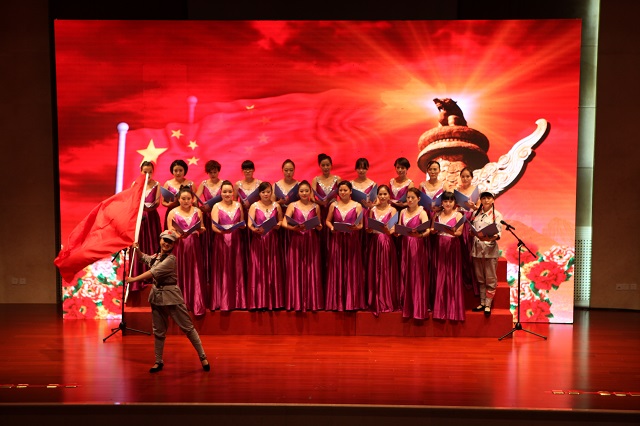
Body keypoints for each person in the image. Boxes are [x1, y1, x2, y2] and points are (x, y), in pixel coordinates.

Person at [125, 229, 210, 373]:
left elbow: (153, 272)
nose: (166, 243)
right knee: (158, 331)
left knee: (188, 328)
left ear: (173, 245)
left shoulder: (171, 259)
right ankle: (158, 361)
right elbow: (145, 258)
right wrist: (137, 250)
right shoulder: (157, 256)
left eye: (170, 242)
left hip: (171, 297)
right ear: (160, 240)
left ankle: (203, 357)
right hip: (157, 297)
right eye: (165, 240)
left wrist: (133, 279)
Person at [282, 180, 324, 311]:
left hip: (311, 240)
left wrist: (318, 226)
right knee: (296, 268)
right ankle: (296, 301)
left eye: (306, 191)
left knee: (311, 268)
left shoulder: (316, 206)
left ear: (310, 192)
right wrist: (293, 228)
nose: (304, 193)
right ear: (298, 193)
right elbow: (284, 223)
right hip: (297, 239)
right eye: (301, 191)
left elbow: (320, 226)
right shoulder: (292, 205)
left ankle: (312, 301)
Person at [166, 186, 207, 317]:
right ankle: (179, 304)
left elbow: (202, 227)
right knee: (180, 272)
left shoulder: (197, 211)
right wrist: (177, 235)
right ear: (178, 199)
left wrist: (200, 230)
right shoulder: (172, 212)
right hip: (180, 246)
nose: (186, 201)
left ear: (192, 199)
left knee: (195, 272)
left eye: (188, 198)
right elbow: (169, 231)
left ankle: (196, 303)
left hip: (194, 245)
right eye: (183, 198)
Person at [325, 180, 365, 311]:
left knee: (351, 268)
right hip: (337, 240)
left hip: (351, 240)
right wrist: (332, 228)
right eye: (341, 190)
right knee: (337, 268)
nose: (343, 192)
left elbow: (361, 225)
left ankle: (352, 302)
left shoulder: (357, 205)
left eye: (345, 190)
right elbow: (327, 221)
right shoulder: (333, 205)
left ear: (350, 191)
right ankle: (336, 302)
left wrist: (355, 227)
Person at [210, 180, 247, 311]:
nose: (227, 194)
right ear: (221, 193)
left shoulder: (238, 205)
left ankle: (238, 301)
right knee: (224, 268)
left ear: (233, 192)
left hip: (236, 239)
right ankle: (223, 301)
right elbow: (213, 226)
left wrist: (241, 226)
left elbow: (242, 223)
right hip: (222, 240)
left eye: (229, 191)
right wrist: (222, 231)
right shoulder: (216, 206)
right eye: (225, 191)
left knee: (237, 268)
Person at [247, 182, 284, 310]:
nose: (266, 194)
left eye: (268, 192)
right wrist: (255, 230)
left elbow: (281, 219)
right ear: (259, 193)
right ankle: (259, 302)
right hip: (259, 240)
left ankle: (275, 302)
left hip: (272, 240)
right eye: (263, 192)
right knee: (259, 268)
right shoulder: (254, 206)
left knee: (273, 268)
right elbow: (250, 224)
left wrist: (278, 225)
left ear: (271, 192)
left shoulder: (276, 205)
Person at [396, 187, 430, 320]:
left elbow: (427, 230)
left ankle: (418, 306)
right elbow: (400, 227)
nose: (409, 200)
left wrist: (420, 235)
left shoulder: (422, 212)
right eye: (408, 197)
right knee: (405, 272)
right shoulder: (403, 211)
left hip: (417, 245)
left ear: (418, 199)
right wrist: (398, 232)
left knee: (416, 274)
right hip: (405, 245)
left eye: (412, 198)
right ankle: (407, 305)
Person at [365, 184, 400, 315]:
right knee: (375, 270)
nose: (383, 196)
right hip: (374, 242)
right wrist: (369, 229)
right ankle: (375, 300)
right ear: (377, 196)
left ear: (389, 195)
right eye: (380, 194)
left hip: (386, 242)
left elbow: (393, 229)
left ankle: (386, 300)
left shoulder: (393, 210)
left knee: (386, 270)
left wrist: (387, 230)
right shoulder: (372, 209)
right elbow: (369, 229)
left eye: (385, 194)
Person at [432, 191, 466, 321]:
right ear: (442, 202)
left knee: (452, 275)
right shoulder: (437, 214)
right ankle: (439, 309)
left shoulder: (458, 215)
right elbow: (433, 230)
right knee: (440, 275)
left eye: (450, 201)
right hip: (440, 245)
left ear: (454, 203)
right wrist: (435, 230)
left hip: (452, 246)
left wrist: (449, 231)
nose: (448, 204)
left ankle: (453, 310)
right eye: (445, 201)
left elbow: (459, 233)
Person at [129, 161, 161, 291]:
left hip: (152, 217)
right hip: (139, 218)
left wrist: (151, 206)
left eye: (150, 172)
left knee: (152, 242)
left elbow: (157, 202)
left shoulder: (157, 184)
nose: (148, 174)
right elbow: (132, 201)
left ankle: (152, 275)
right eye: (145, 172)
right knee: (140, 243)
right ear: (141, 171)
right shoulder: (135, 184)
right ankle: (138, 275)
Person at [470, 191, 503, 316]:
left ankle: (488, 304)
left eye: (489, 198)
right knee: (480, 278)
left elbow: (498, 234)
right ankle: (482, 302)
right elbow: (472, 229)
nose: (486, 200)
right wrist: (472, 232)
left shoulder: (497, 215)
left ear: (493, 200)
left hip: (490, 250)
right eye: (483, 198)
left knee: (490, 278)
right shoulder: (476, 214)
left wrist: (489, 237)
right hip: (477, 249)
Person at [312, 153, 341, 288]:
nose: (325, 167)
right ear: (320, 166)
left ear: (331, 165)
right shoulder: (315, 179)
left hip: (333, 211)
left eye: (327, 165)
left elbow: (342, 193)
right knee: (321, 240)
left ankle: (333, 272)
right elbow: (311, 197)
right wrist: (320, 202)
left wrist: (333, 200)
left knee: (333, 240)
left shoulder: (337, 179)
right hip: (320, 211)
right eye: (323, 165)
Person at [195, 160, 223, 291]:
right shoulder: (204, 184)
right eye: (210, 172)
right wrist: (201, 207)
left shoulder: (223, 183)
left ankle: (219, 271)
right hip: (207, 217)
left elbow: (230, 198)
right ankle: (207, 273)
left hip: (220, 218)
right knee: (207, 244)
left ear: (218, 171)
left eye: (215, 172)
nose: (213, 174)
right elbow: (195, 200)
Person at [456, 167, 480, 298]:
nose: (465, 179)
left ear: (472, 177)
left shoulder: (476, 190)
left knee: (470, 251)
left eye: (467, 176)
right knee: (460, 251)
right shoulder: (457, 190)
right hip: (459, 220)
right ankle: (461, 280)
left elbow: (479, 207)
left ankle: (472, 280)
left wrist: (473, 207)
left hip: (470, 221)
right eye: (463, 176)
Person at [162, 159, 194, 229]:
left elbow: (194, 201)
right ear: (172, 171)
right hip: (172, 213)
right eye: (175, 170)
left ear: (185, 171)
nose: (178, 173)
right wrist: (169, 204)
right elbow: (163, 202)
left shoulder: (191, 183)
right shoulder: (168, 183)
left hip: (187, 214)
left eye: (180, 170)